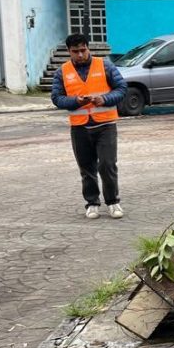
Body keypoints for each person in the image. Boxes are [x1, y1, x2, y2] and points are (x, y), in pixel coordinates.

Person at [51, 33, 128, 219]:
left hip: (105, 125)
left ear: (88, 48)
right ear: (69, 52)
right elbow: (56, 98)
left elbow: (122, 88)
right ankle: (92, 202)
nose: (80, 54)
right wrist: (75, 101)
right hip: (80, 128)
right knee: (86, 168)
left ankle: (113, 202)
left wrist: (104, 99)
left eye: (83, 50)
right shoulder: (62, 72)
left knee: (107, 164)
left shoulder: (105, 65)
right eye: (75, 51)